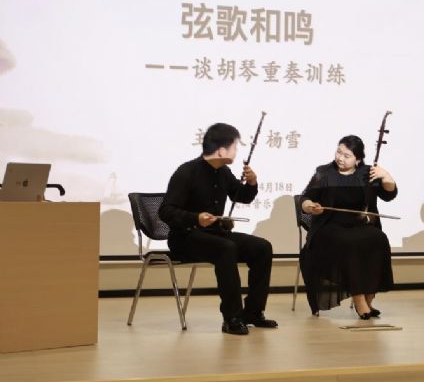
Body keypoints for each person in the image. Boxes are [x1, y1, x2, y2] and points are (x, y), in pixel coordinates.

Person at [158, 123, 276, 335]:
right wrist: (196, 218)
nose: (236, 151)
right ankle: (232, 317)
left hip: (214, 235)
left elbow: (242, 196)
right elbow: (165, 211)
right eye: (234, 147)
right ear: (221, 150)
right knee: (226, 248)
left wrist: (252, 183)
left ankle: (253, 312)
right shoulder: (186, 172)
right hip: (185, 238)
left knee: (262, 248)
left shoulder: (223, 172)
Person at [299, 135, 397, 319]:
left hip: (359, 224)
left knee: (379, 238)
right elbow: (305, 198)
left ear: (358, 159)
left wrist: (386, 176)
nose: (340, 158)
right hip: (329, 226)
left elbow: (389, 194)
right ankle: (359, 299)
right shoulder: (324, 172)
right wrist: (309, 206)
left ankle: (369, 298)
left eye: (346, 155)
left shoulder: (367, 173)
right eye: (339, 152)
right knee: (349, 243)